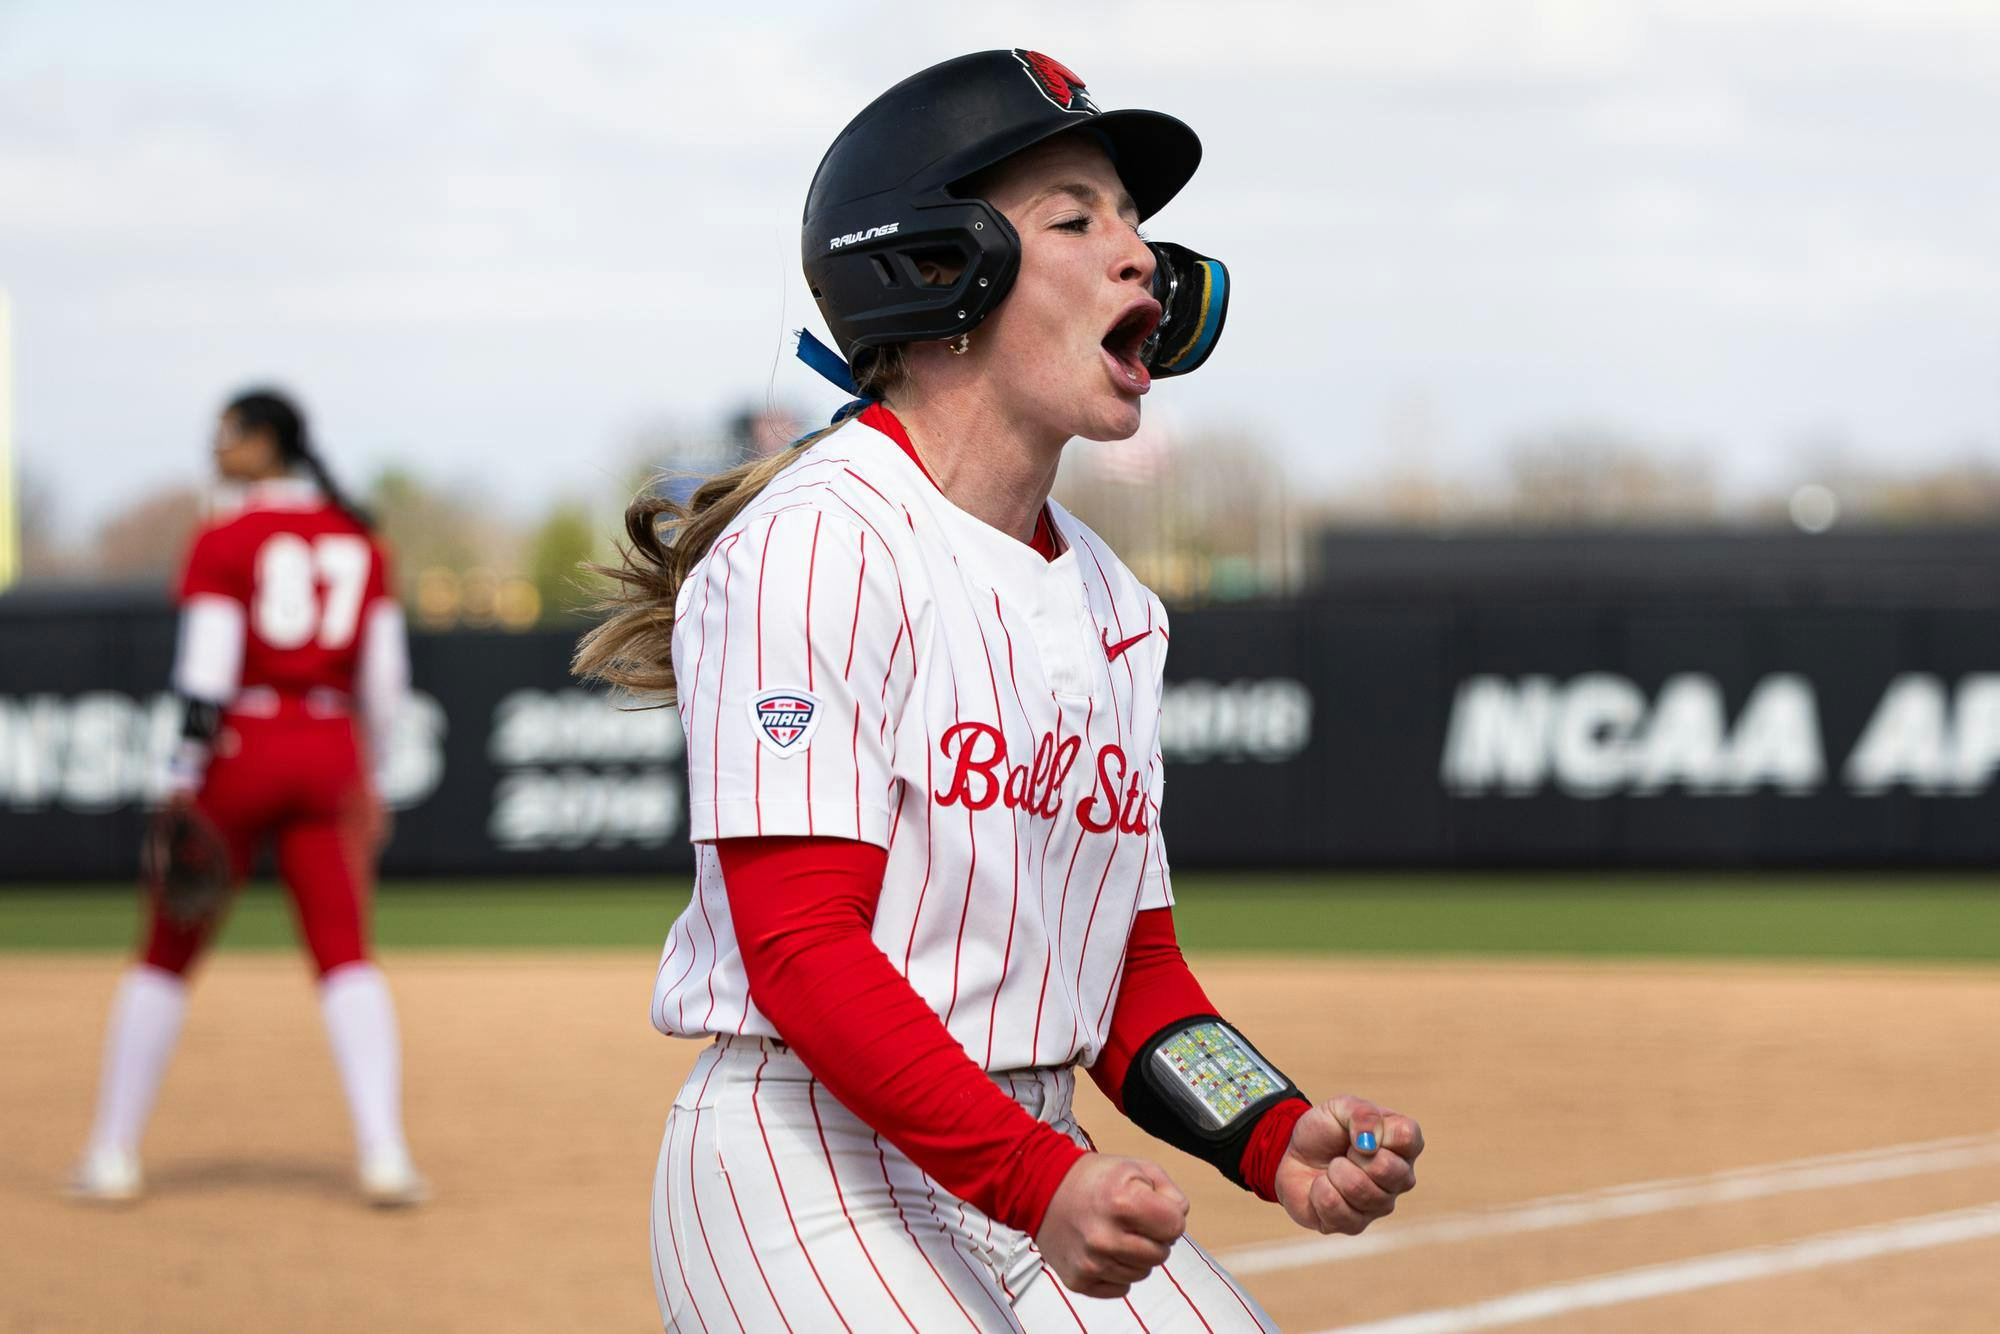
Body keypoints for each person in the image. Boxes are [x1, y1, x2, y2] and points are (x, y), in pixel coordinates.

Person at [577, 50, 1421, 1329]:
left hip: (1025, 1153)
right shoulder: (822, 538)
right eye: (1076, 218)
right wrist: (1039, 1179)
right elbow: (801, 947)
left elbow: (1132, 979)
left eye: (1134, 222)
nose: (1137, 253)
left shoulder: (1113, 605)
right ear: (937, 270)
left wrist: (1273, 1128)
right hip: (807, 1161)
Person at [68, 388, 425, 1208]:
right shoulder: (359, 539)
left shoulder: (226, 537)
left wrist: (177, 778)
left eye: (228, 433)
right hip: (330, 749)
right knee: (345, 954)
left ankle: (113, 1154)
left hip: (242, 750)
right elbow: (386, 683)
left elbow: (205, 675)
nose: (216, 446)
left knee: (165, 951)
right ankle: (385, 1154)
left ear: (268, 442)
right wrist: (368, 774)